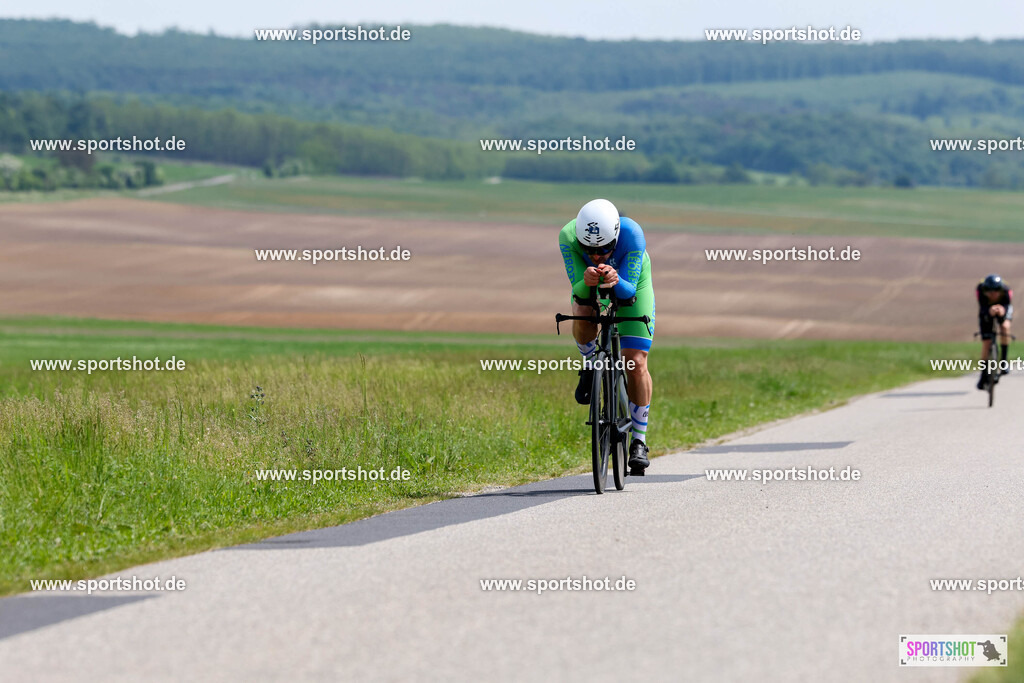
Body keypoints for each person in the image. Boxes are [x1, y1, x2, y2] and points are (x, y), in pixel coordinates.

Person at [559, 199, 655, 473]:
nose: (597, 255)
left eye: (604, 249)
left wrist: (616, 280)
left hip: (631, 281)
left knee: (635, 362)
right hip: (589, 285)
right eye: (589, 250)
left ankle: (639, 440)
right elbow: (578, 290)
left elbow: (628, 292)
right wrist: (587, 280)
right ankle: (590, 363)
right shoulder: (567, 236)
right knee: (581, 310)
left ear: (615, 236)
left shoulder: (632, 234)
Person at [976, 274, 1013, 390]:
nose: (993, 294)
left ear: (1001, 290)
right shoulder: (980, 290)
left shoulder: (1006, 291)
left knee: (1005, 327)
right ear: (985, 290)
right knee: (986, 343)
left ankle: (1004, 362)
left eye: (996, 291)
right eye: (990, 292)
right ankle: (983, 375)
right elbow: (982, 309)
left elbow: (1007, 307)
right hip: (986, 308)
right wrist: (989, 311)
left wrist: (1002, 313)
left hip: (1003, 307)